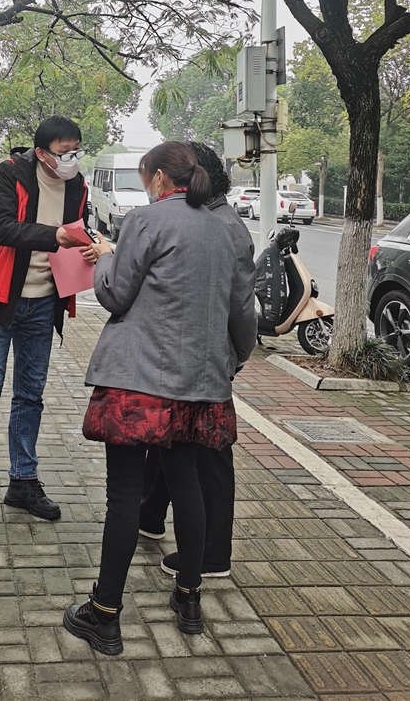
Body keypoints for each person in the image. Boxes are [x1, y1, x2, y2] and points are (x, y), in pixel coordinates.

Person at [62, 142, 257, 654]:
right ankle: (189, 599)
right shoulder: (227, 229)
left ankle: (105, 614)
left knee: (124, 495)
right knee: (187, 485)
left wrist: (106, 258)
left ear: (158, 179)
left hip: (139, 381)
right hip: (200, 382)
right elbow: (241, 311)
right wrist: (233, 359)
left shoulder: (145, 221)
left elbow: (115, 294)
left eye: (145, 175)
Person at [0, 115, 93, 538]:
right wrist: (56, 236)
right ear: (41, 153)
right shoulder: (11, 174)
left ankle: (22, 482)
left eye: (76, 151)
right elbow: (1, 228)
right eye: (63, 152)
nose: (71, 159)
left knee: (30, 396)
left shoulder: (78, 186)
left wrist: (89, 247)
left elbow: (78, 231)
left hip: (44, 303)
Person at [138, 142, 256, 581]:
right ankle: (149, 516)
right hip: (185, 354)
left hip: (210, 357)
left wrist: (237, 355)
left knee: (210, 455)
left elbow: (241, 306)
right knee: (169, 438)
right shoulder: (203, 218)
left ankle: (212, 554)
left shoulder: (224, 227)